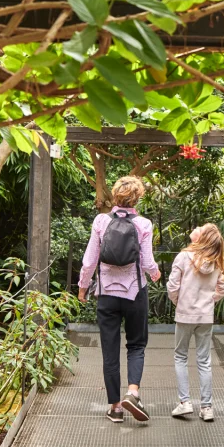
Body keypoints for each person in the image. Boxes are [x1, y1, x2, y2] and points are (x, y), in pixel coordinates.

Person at [78, 176, 161, 423]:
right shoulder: (144, 224)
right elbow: (146, 263)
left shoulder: (101, 221)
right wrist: (156, 274)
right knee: (136, 345)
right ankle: (132, 393)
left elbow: (89, 260)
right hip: (135, 293)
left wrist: (83, 288)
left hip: (106, 296)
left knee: (110, 350)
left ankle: (115, 407)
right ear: (138, 198)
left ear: (114, 196)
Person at [166, 223, 224, 421]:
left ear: (202, 237)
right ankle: (207, 407)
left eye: (201, 228)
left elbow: (172, 286)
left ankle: (185, 402)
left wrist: (179, 301)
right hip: (205, 316)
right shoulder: (217, 263)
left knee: (180, 357)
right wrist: (210, 301)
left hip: (184, 314)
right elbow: (223, 289)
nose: (197, 227)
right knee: (204, 361)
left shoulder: (184, 256)